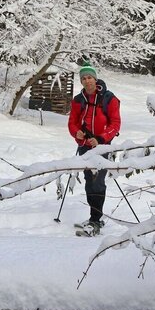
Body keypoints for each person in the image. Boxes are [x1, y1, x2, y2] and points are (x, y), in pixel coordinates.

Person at [67, 62, 121, 236]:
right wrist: (78, 133)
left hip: (102, 146)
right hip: (85, 146)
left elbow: (115, 124)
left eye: (89, 77)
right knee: (89, 179)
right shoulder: (78, 100)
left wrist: (101, 138)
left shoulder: (109, 98)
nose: (87, 81)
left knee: (98, 181)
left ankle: (95, 220)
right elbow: (72, 122)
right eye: (83, 78)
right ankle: (93, 217)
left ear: (95, 78)